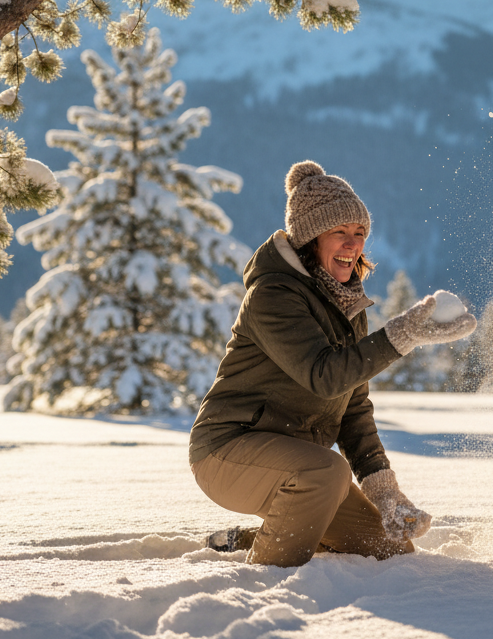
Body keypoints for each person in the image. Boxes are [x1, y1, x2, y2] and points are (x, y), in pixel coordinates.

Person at [189, 160, 477, 567]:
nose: (352, 244)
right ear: (310, 238)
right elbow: (323, 376)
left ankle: (247, 539)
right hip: (226, 451)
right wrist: (401, 336)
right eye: (339, 232)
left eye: (359, 233)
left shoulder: (347, 306)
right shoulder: (273, 295)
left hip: (304, 466)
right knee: (327, 471)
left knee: (390, 549)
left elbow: (353, 408)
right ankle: (267, 575)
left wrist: (384, 490)